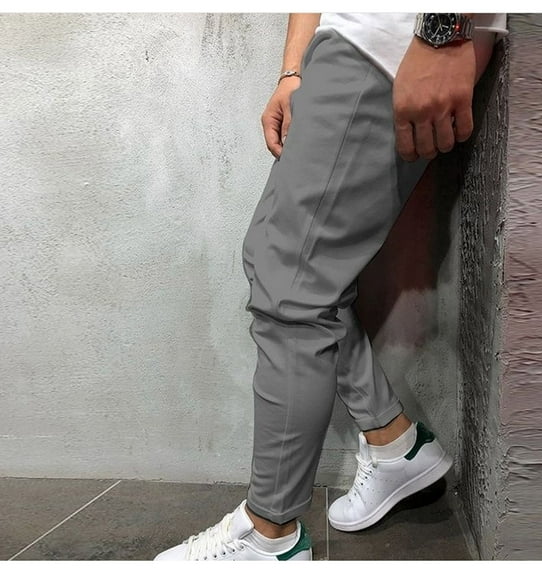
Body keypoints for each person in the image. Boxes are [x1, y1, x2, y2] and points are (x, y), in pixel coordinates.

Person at [154, 12, 508, 561]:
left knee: (292, 287)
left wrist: (443, 32)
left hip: (388, 39)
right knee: (277, 264)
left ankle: (269, 536)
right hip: (348, 42)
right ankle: (393, 444)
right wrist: (293, 70)